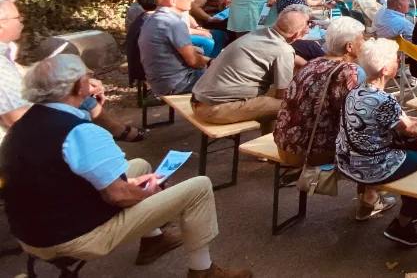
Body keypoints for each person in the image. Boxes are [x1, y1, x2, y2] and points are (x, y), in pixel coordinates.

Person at [0, 54, 251, 278]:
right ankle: (203, 270)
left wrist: (131, 185)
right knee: (199, 187)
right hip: (72, 238)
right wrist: (149, 194)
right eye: (87, 77)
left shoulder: (23, 125)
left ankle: (154, 241)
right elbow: (118, 196)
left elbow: (60, 172)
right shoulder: (80, 132)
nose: (91, 81)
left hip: (31, 234)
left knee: (139, 165)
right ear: (78, 87)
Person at [1, 0, 144, 143]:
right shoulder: (1, 67)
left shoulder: (6, 51)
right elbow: (18, 119)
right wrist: (68, 97)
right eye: (17, 17)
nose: (22, 20)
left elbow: (21, 76)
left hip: (33, 134)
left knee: (82, 97)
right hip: (32, 145)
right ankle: (106, 135)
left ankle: (113, 131)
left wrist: (73, 81)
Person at [337, 39, 417, 244]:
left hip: (347, 161)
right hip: (372, 167)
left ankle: (402, 209)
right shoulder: (384, 101)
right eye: (396, 59)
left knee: (416, 149)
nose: (399, 61)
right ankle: (404, 222)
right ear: (385, 69)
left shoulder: (355, 92)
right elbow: (409, 130)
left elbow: (397, 120)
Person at [189, 11, 307, 134]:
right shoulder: (284, 50)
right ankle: (278, 142)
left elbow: (283, 55)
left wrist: (306, 64)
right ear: (296, 35)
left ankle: (267, 136)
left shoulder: (259, 34)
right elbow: (282, 95)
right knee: (292, 104)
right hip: (214, 109)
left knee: (272, 96)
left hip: (199, 100)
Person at [273, 17, 366, 168]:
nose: (364, 43)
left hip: (284, 146)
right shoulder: (349, 72)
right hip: (311, 153)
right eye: (362, 39)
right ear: (349, 46)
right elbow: (357, 117)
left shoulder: (311, 63)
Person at [140, 0, 210, 97]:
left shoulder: (151, 19)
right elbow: (194, 61)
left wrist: (209, 61)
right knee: (230, 80)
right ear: (173, 1)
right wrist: (209, 64)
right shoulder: (174, 23)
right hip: (178, 83)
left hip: (159, 82)